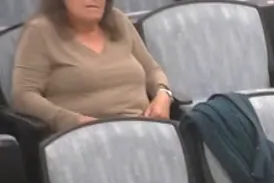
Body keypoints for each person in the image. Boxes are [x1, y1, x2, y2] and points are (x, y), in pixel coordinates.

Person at [11, 0, 173, 133]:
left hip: (145, 128)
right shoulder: (40, 31)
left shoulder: (119, 21)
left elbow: (153, 70)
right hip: (85, 137)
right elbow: (24, 95)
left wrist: (163, 94)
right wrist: (71, 121)